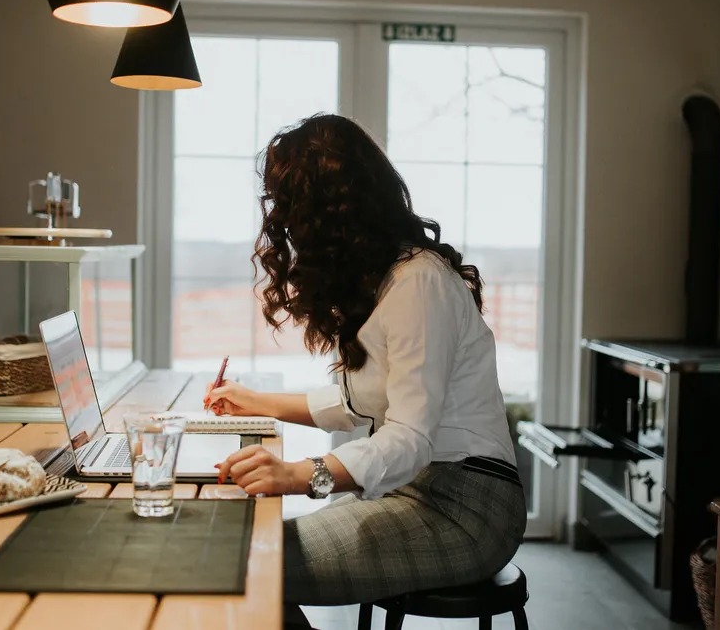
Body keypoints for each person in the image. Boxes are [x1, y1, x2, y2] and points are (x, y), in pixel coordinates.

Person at [205, 113, 526, 611]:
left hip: (467, 510)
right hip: (417, 489)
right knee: (245, 558)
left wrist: (298, 474)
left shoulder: (418, 282)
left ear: (333, 212)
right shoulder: (388, 279)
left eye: (293, 211)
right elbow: (363, 404)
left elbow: (409, 439)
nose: (286, 228)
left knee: (246, 567)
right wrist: (256, 402)